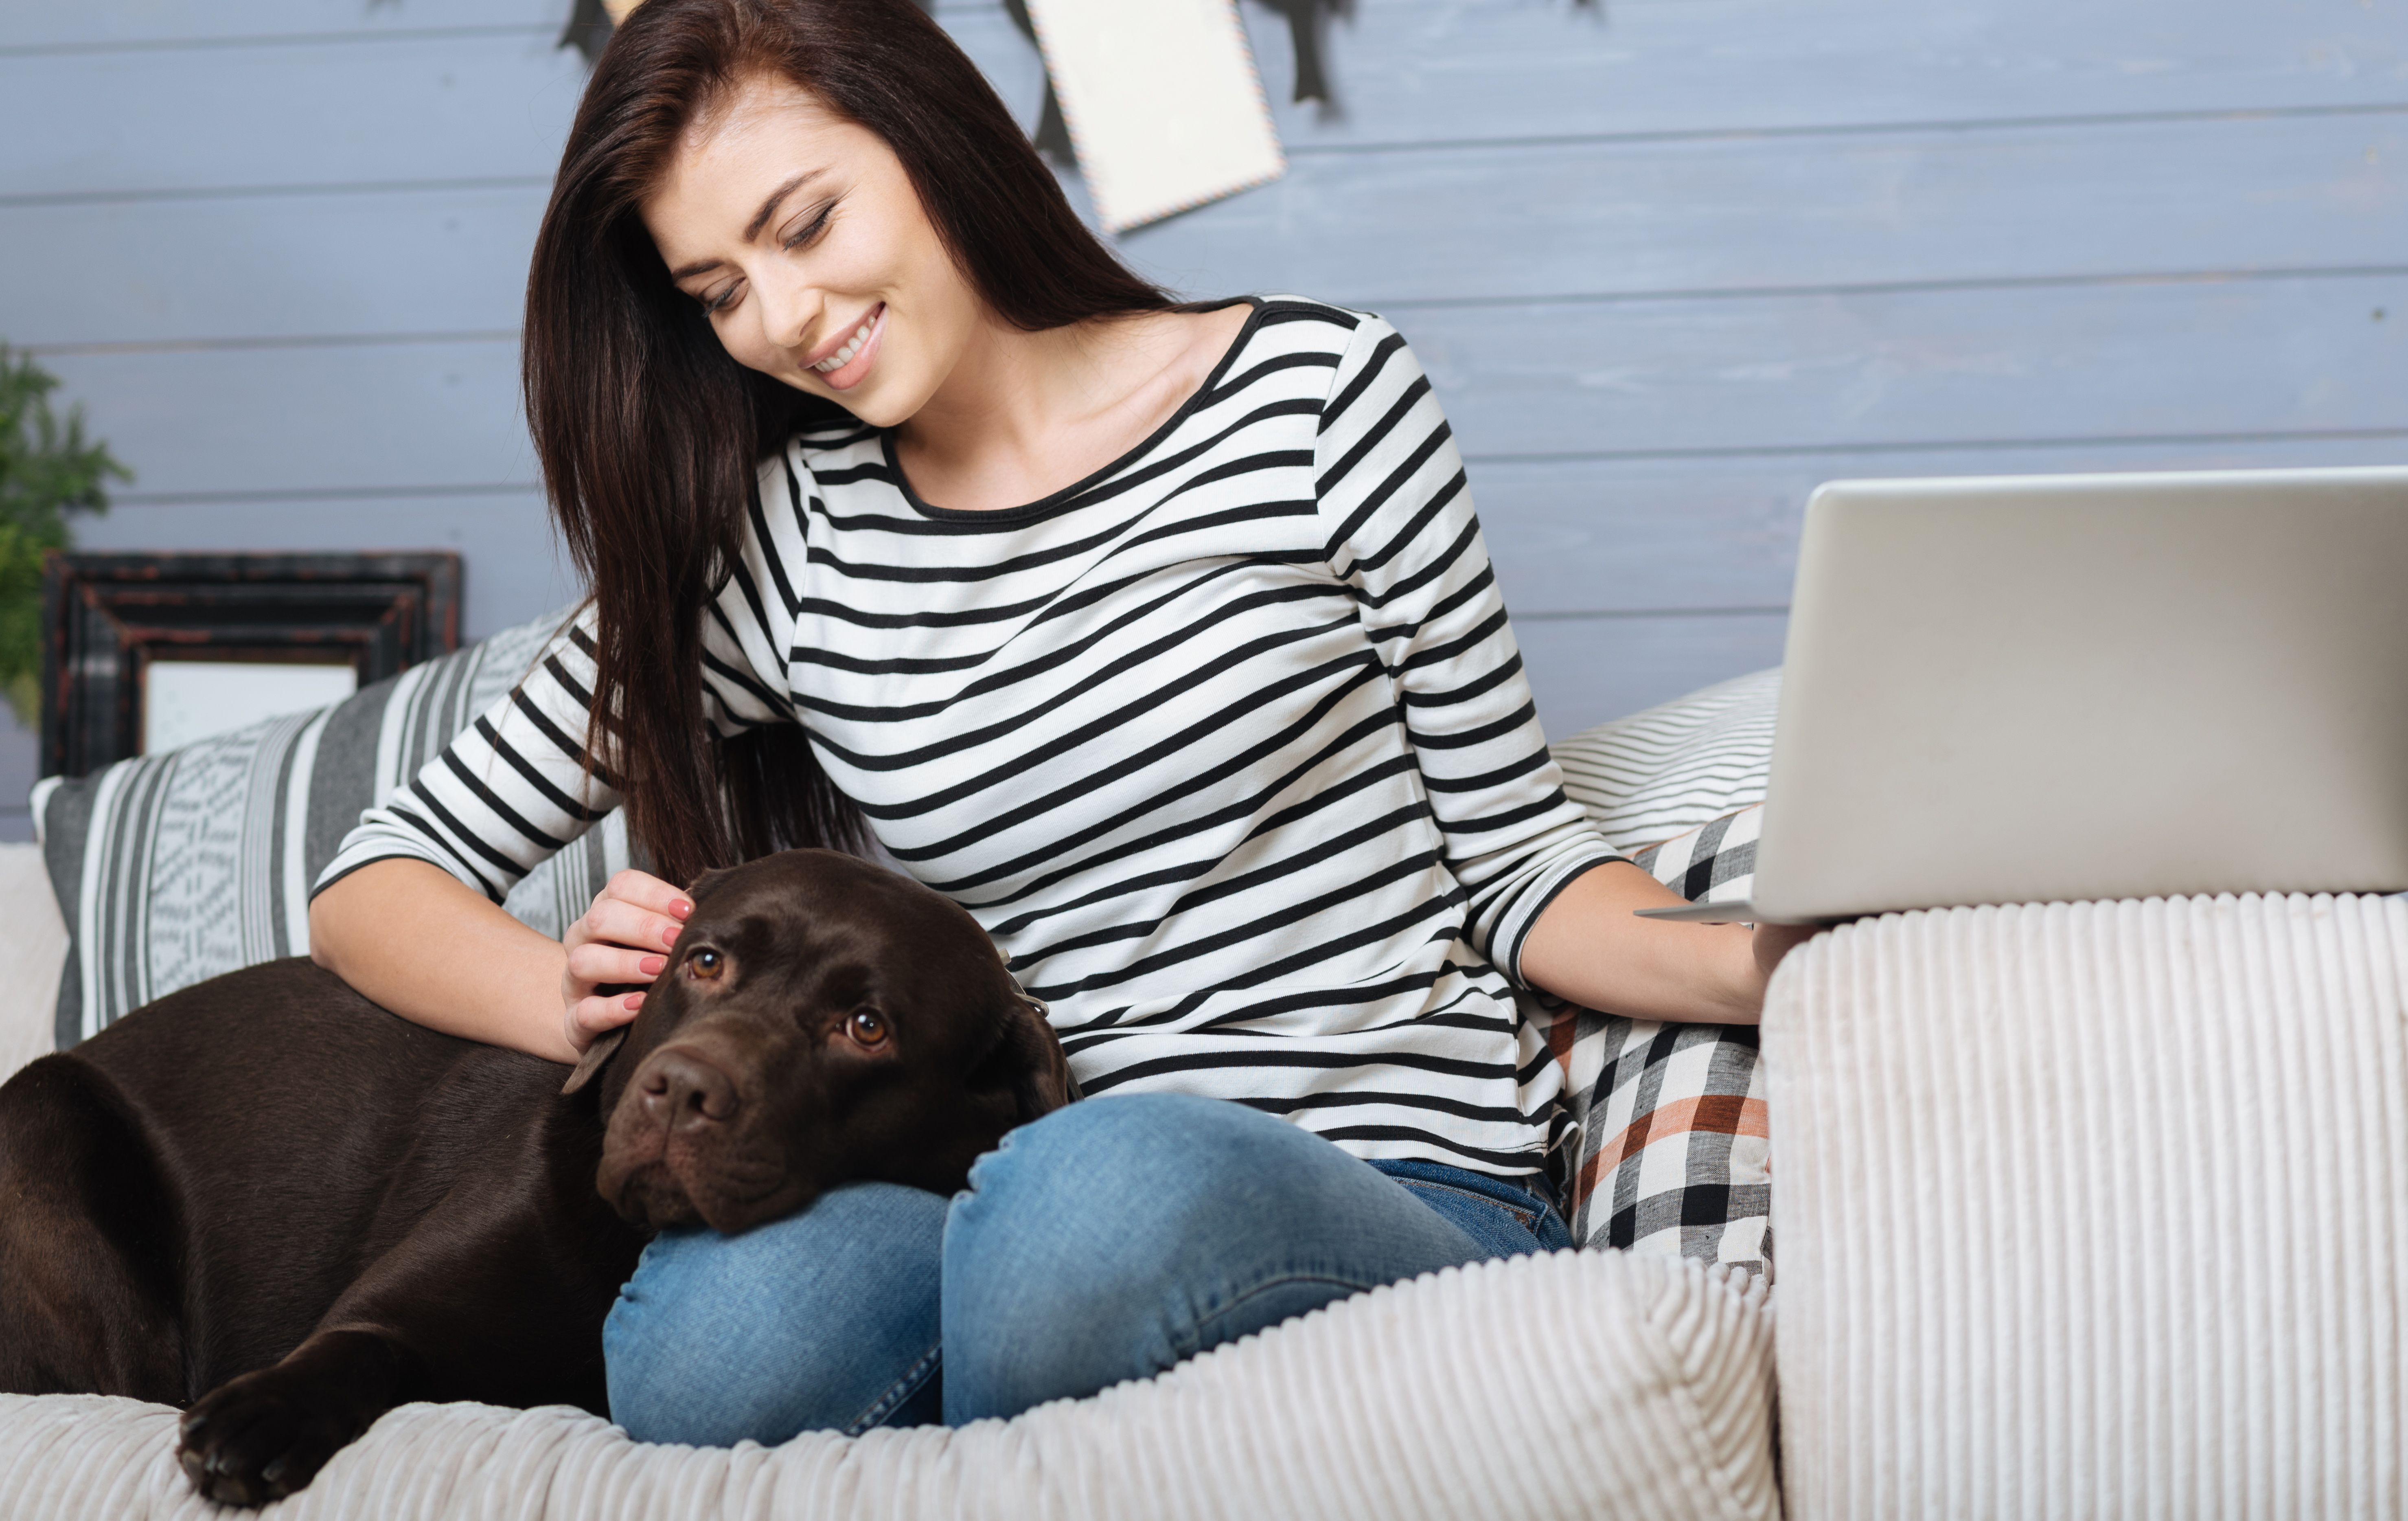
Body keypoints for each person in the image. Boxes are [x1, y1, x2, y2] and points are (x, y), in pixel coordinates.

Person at [307, 0, 1809, 1444]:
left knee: (1092, 1192)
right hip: (995, 1210)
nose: (778, 320)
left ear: (932, 132)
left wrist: (1762, 965)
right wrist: (568, 1003)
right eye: (715, 292)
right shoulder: (779, 549)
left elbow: (1517, 864)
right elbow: (373, 879)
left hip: (1389, 1178)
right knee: (717, 1350)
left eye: (805, 225)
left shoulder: (1319, 401)